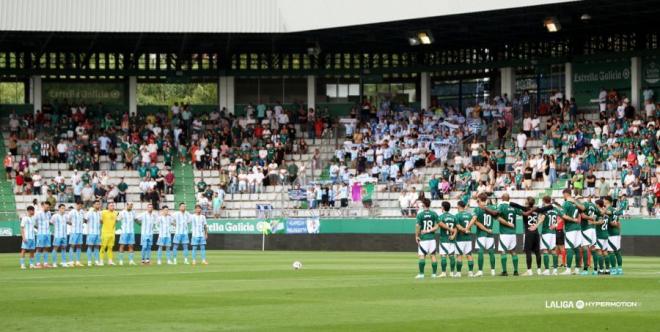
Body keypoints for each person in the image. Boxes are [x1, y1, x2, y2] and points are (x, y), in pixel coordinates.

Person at [425, 201, 457, 278]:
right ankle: (452, 273)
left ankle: (443, 273)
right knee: (452, 256)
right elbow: (456, 228)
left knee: (443, 256)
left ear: (443, 208)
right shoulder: (453, 217)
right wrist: (453, 235)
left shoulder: (441, 217)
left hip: (444, 239)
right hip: (451, 239)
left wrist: (428, 230)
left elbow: (437, 226)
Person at [531, 196, 560, 275]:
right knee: (553, 250)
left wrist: (536, 226)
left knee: (545, 250)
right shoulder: (555, 208)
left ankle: (547, 270)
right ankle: (555, 270)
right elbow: (561, 217)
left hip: (546, 232)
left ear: (544, 201)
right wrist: (556, 224)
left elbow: (542, 218)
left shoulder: (545, 209)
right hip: (553, 232)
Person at [560, 189, 586, 275]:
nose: (563, 196)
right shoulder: (575, 203)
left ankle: (568, 270)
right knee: (578, 249)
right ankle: (577, 269)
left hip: (570, 228)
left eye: (563, 194)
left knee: (569, 249)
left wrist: (573, 220)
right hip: (578, 228)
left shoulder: (566, 203)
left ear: (566, 194)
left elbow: (563, 215)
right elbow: (583, 208)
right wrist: (575, 201)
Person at [414, 199, 439, 279]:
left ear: (423, 204)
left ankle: (421, 274)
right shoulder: (434, 214)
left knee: (422, 256)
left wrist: (417, 236)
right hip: (432, 238)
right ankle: (434, 274)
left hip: (424, 238)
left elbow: (418, 226)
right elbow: (438, 225)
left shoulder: (420, 214)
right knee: (433, 256)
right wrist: (430, 230)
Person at [473, 193, 497, 277]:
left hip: (481, 233)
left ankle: (480, 271)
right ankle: (493, 271)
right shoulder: (491, 208)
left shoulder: (478, 209)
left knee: (480, 251)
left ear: (479, 199)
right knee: (491, 252)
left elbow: (475, 222)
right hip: (490, 232)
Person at [496, 193, 519, 276]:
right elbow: (520, 213)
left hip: (504, 233)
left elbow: (497, 216)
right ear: (509, 199)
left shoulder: (501, 206)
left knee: (503, 252)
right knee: (513, 252)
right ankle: (516, 271)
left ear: (502, 198)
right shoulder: (514, 206)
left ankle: (504, 271)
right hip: (513, 233)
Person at [579, 196, 600, 275]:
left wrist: (590, 218)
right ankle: (595, 270)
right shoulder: (594, 206)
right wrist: (593, 218)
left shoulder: (584, 205)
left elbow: (583, 216)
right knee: (593, 249)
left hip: (586, 229)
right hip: (593, 229)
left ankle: (585, 269)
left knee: (585, 248)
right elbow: (600, 214)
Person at [454, 201, 475, 277]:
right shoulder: (469, 215)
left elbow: (458, 226)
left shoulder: (457, 215)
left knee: (459, 255)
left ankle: (459, 273)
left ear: (459, 206)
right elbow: (473, 222)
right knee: (469, 255)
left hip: (460, 238)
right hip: (468, 238)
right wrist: (467, 229)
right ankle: (471, 272)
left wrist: (464, 230)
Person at [607, 198, 624, 275]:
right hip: (617, 233)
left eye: (604, 199)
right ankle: (620, 269)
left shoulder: (609, 209)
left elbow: (610, 223)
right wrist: (620, 233)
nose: (603, 201)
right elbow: (619, 223)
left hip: (611, 234)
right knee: (617, 252)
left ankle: (613, 269)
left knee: (611, 252)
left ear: (607, 201)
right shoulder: (616, 211)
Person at [67, 202, 85, 267]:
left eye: (81, 205)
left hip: (80, 231)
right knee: (72, 245)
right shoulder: (72, 212)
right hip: (74, 231)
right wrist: (72, 225)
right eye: (78, 205)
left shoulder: (82, 212)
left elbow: (84, 220)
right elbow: (67, 220)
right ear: (76, 205)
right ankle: (71, 261)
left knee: (79, 246)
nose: (79, 206)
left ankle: (78, 261)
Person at [35, 202, 52, 268]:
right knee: (39, 248)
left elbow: (49, 222)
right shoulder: (38, 213)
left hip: (47, 233)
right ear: (43, 206)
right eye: (46, 207)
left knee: (46, 248)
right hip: (41, 233)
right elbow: (34, 223)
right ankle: (38, 263)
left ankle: (45, 263)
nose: (48, 208)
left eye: (48, 207)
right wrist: (39, 229)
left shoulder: (49, 213)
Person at [85, 200, 102, 267]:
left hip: (97, 233)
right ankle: (89, 261)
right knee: (90, 246)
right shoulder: (89, 212)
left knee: (97, 247)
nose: (98, 205)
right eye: (97, 204)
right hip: (91, 233)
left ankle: (96, 261)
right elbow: (85, 220)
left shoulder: (99, 213)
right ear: (93, 205)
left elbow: (101, 222)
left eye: (99, 204)